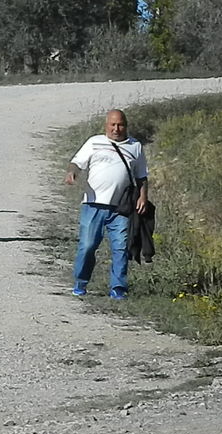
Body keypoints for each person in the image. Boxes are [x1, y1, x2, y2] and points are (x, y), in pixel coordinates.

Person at [65, 109, 148, 300]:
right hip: (93, 205)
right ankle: (81, 282)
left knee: (120, 247)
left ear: (126, 126)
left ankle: (118, 288)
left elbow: (142, 176)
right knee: (87, 246)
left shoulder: (135, 146)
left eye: (120, 125)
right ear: (106, 126)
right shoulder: (94, 142)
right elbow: (76, 162)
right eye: (113, 125)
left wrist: (143, 197)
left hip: (121, 208)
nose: (116, 129)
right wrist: (72, 173)